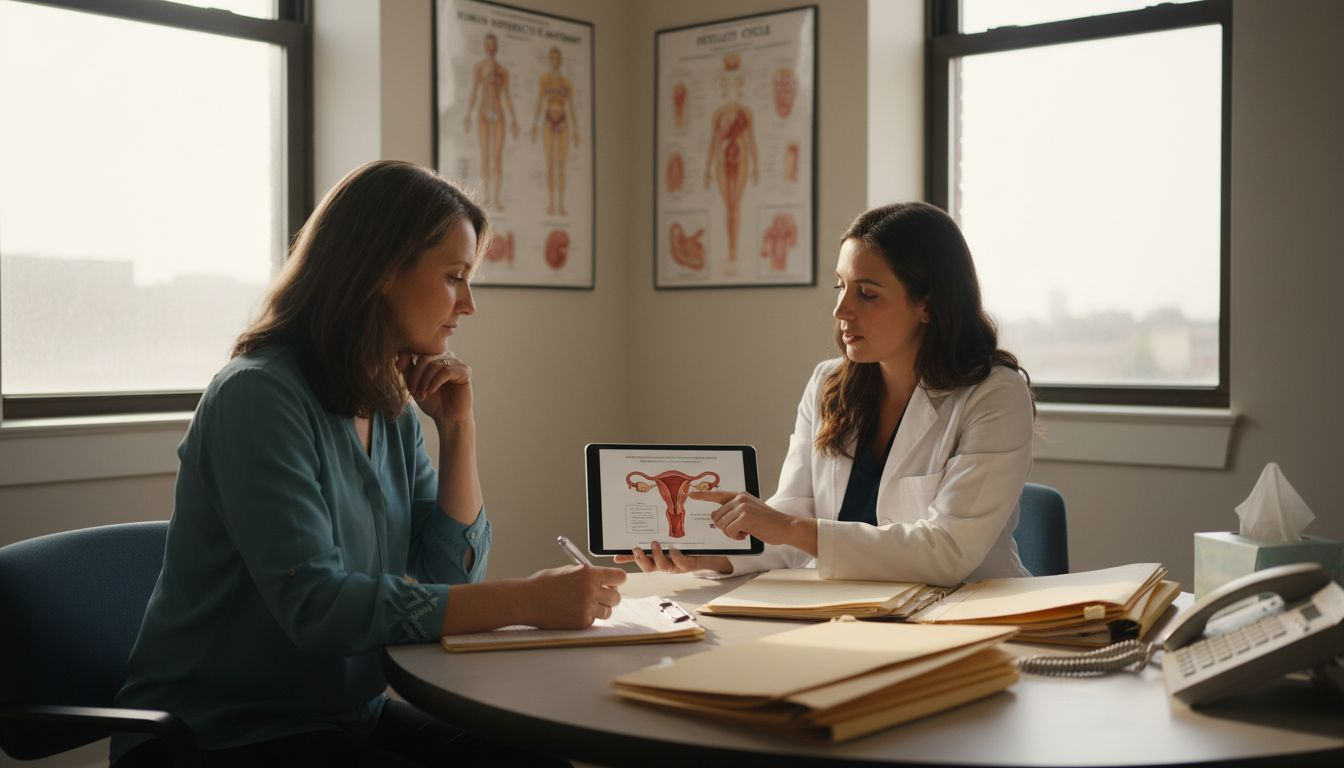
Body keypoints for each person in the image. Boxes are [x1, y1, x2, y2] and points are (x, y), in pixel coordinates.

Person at [112, 160, 624, 767]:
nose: (469, 304)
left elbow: (447, 580)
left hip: (344, 716)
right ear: (383, 270)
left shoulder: (388, 406)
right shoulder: (257, 396)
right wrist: (526, 602)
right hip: (217, 733)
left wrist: (458, 431)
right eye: (455, 277)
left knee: (538, 760)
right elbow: (318, 607)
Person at [618, 202, 1035, 586]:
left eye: (866, 294)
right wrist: (716, 556)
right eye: (840, 287)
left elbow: (948, 551)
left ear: (927, 304)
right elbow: (793, 515)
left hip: (969, 611)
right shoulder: (827, 383)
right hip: (848, 609)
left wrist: (788, 527)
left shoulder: (994, 395)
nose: (841, 310)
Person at [530, 46, 579, 217]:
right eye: (553, 58)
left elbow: (571, 107)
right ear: (550, 60)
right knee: (550, 165)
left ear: (561, 61)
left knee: (561, 165)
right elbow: (539, 102)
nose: (555, 61)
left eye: (558, 58)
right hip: (548, 122)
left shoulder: (566, 83)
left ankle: (561, 204)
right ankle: (551, 203)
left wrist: (576, 130)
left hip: (563, 122)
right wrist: (535, 124)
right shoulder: (544, 79)